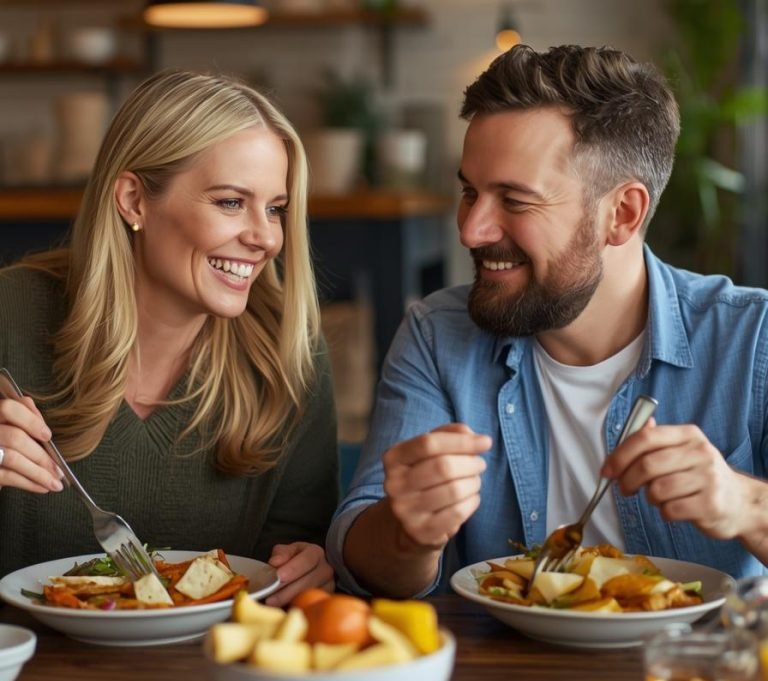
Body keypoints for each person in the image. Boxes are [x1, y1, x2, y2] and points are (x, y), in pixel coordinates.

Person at [326, 43, 768, 598]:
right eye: (469, 192)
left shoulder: (752, 338)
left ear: (622, 214)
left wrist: (746, 503)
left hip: (698, 675)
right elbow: (363, 562)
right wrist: (408, 531)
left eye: (514, 200)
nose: (472, 230)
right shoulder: (436, 335)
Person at [0, 70, 338, 605]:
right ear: (134, 200)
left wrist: (312, 563)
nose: (265, 237)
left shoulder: (285, 350)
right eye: (231, 202)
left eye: (275, 208)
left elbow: (298, 542)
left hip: (214, 678)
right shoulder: (10, 315)